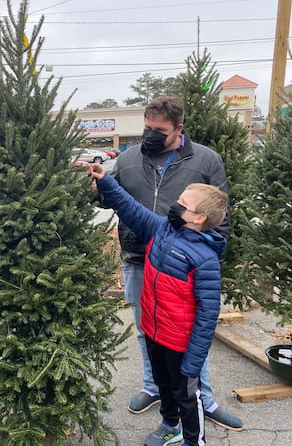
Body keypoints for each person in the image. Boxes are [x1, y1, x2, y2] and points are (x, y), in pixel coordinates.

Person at [108, 96, 243, 431]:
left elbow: (219, 218)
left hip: (182, 268)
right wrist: (98, 188)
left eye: (160, 130)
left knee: (187, 338)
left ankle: (202, 398)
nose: (151, 135)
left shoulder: (206, 160)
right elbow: (122, 203)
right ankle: (154, 388)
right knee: (147, 331)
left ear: (178, 129)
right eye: (147, 127)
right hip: (140, 260)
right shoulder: (127, 159)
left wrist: (201, 258)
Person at [90, 163, 228, 446]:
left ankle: (194, 440)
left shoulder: (205, 260)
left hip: (180, 345)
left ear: (199, 217)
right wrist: (106, 181)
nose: (175, 205)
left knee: (188, 396)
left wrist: (194, 360)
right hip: (155, 333)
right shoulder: (162, 229)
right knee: (164, 387)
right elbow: (129, 207)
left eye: (183, 204)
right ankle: (170, 425)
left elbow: (207, 316)